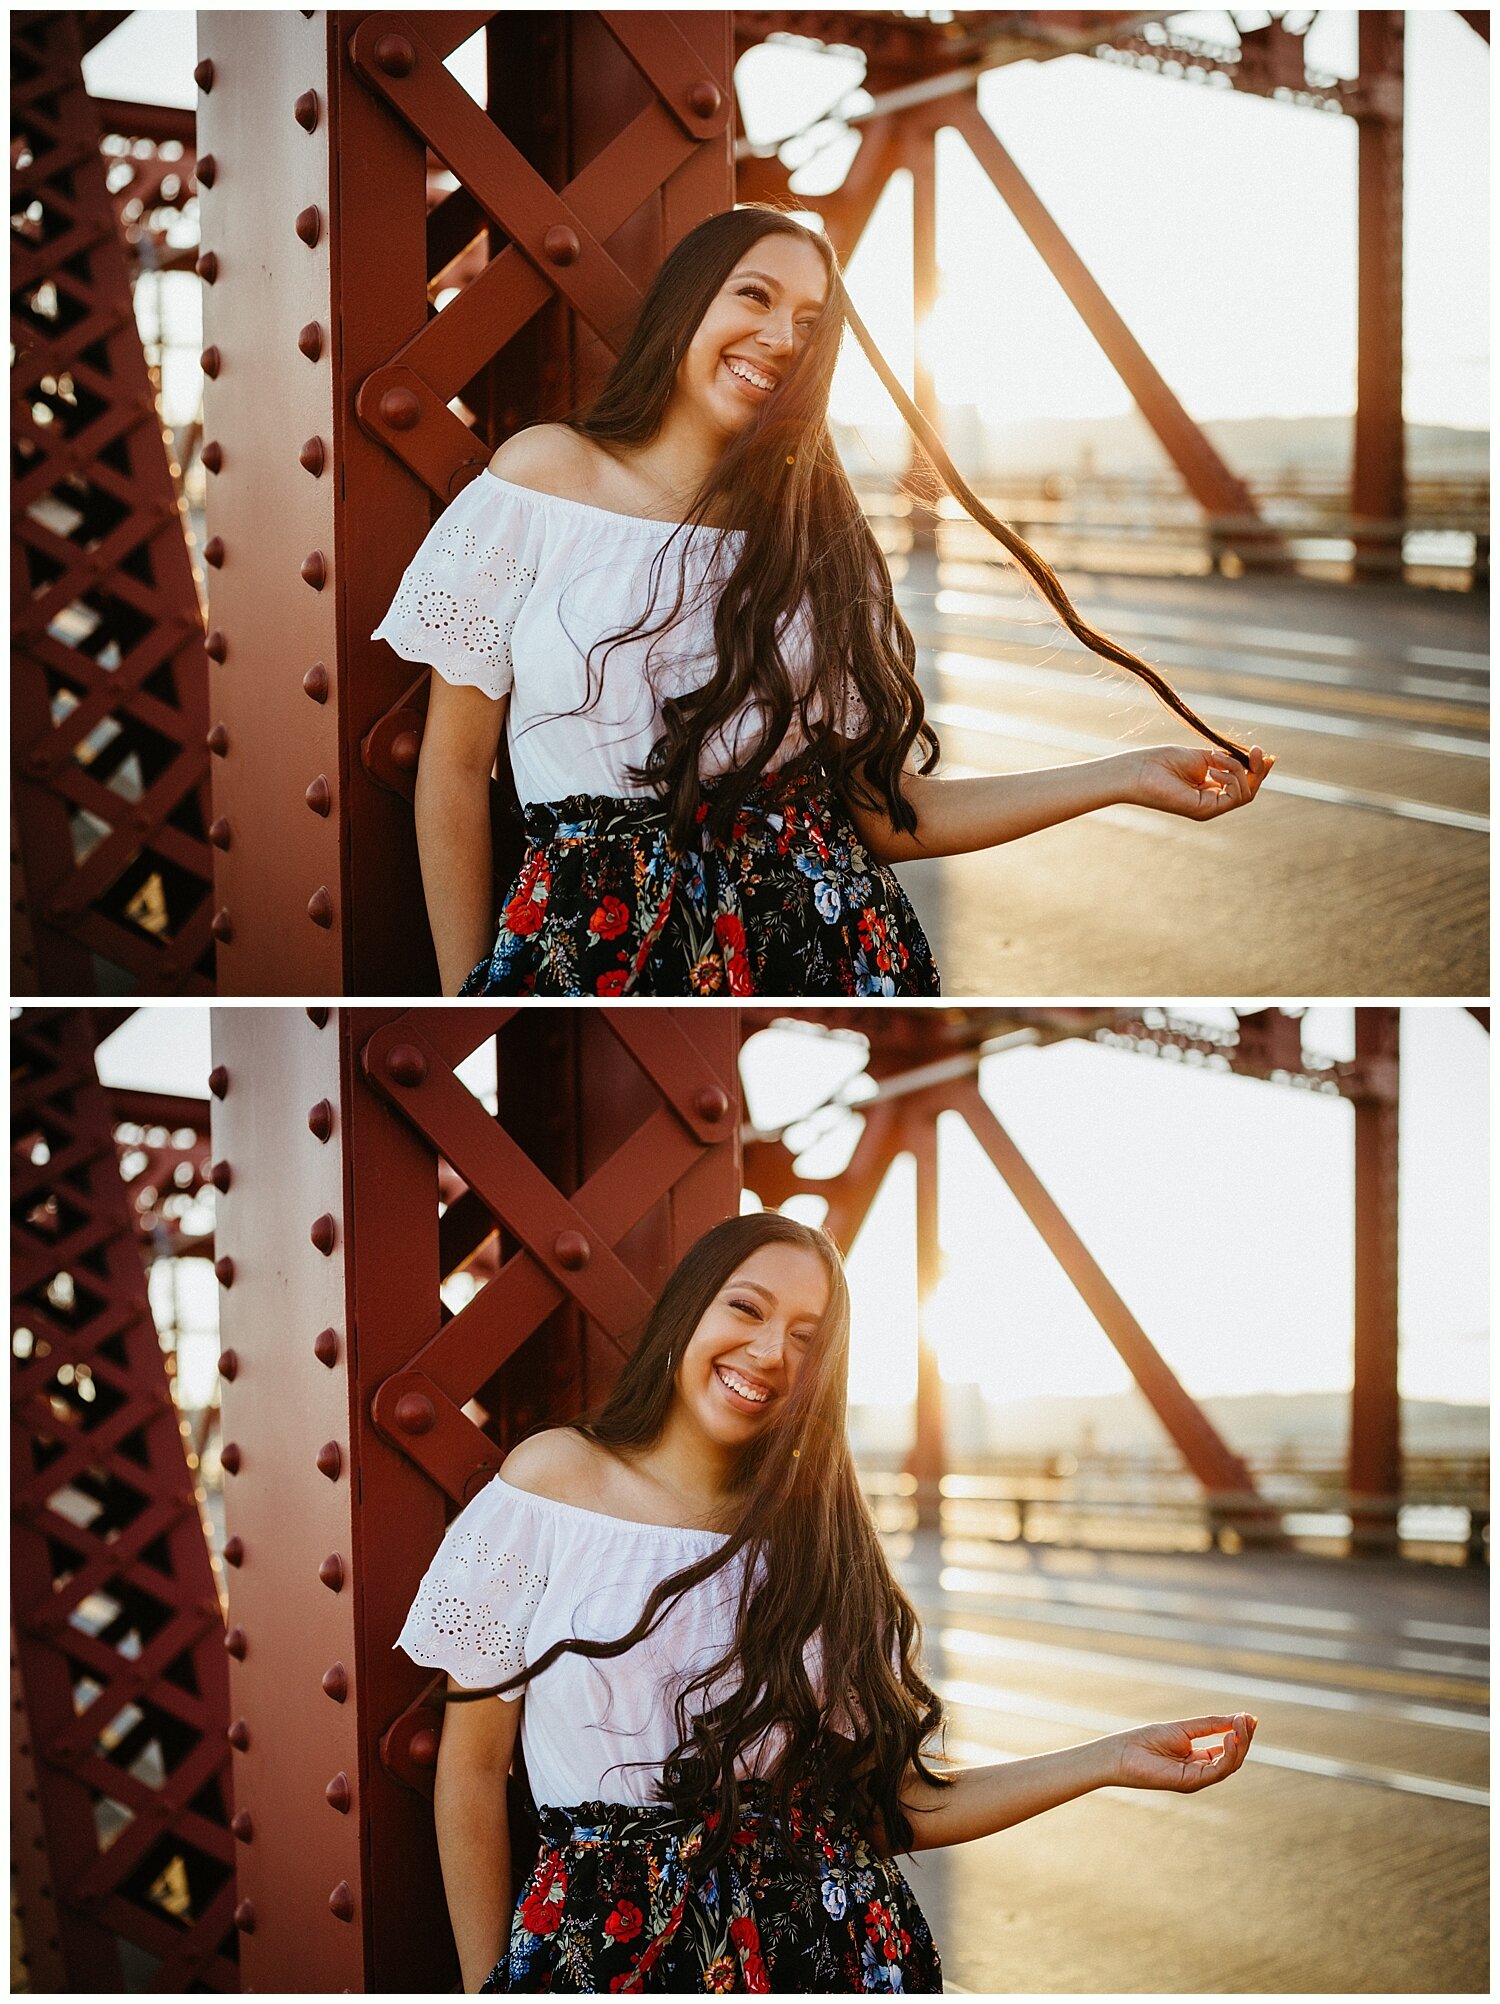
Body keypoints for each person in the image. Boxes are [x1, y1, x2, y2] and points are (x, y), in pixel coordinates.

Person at [372, 206, 1273, 998]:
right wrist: (466, 992)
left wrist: (1120, 776)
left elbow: (881, 814)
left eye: (811, 323)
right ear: (688, 303)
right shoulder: (542, 479)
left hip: (825, 940)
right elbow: (453, 769)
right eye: (754, 296)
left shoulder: (819, 544)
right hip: (586, 943)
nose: (780, 337)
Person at [395, 1213, 1258, 1994]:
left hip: (831, 1956)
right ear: (686, 1314)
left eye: (807, 1338)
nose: (771, 1352)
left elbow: (895, 1809)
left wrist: (1109, 1758)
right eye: (747, 1309)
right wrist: (486, 1986)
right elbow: (470, 1774)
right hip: (606, 1959)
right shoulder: (551, 1486)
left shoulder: (820, 1539)